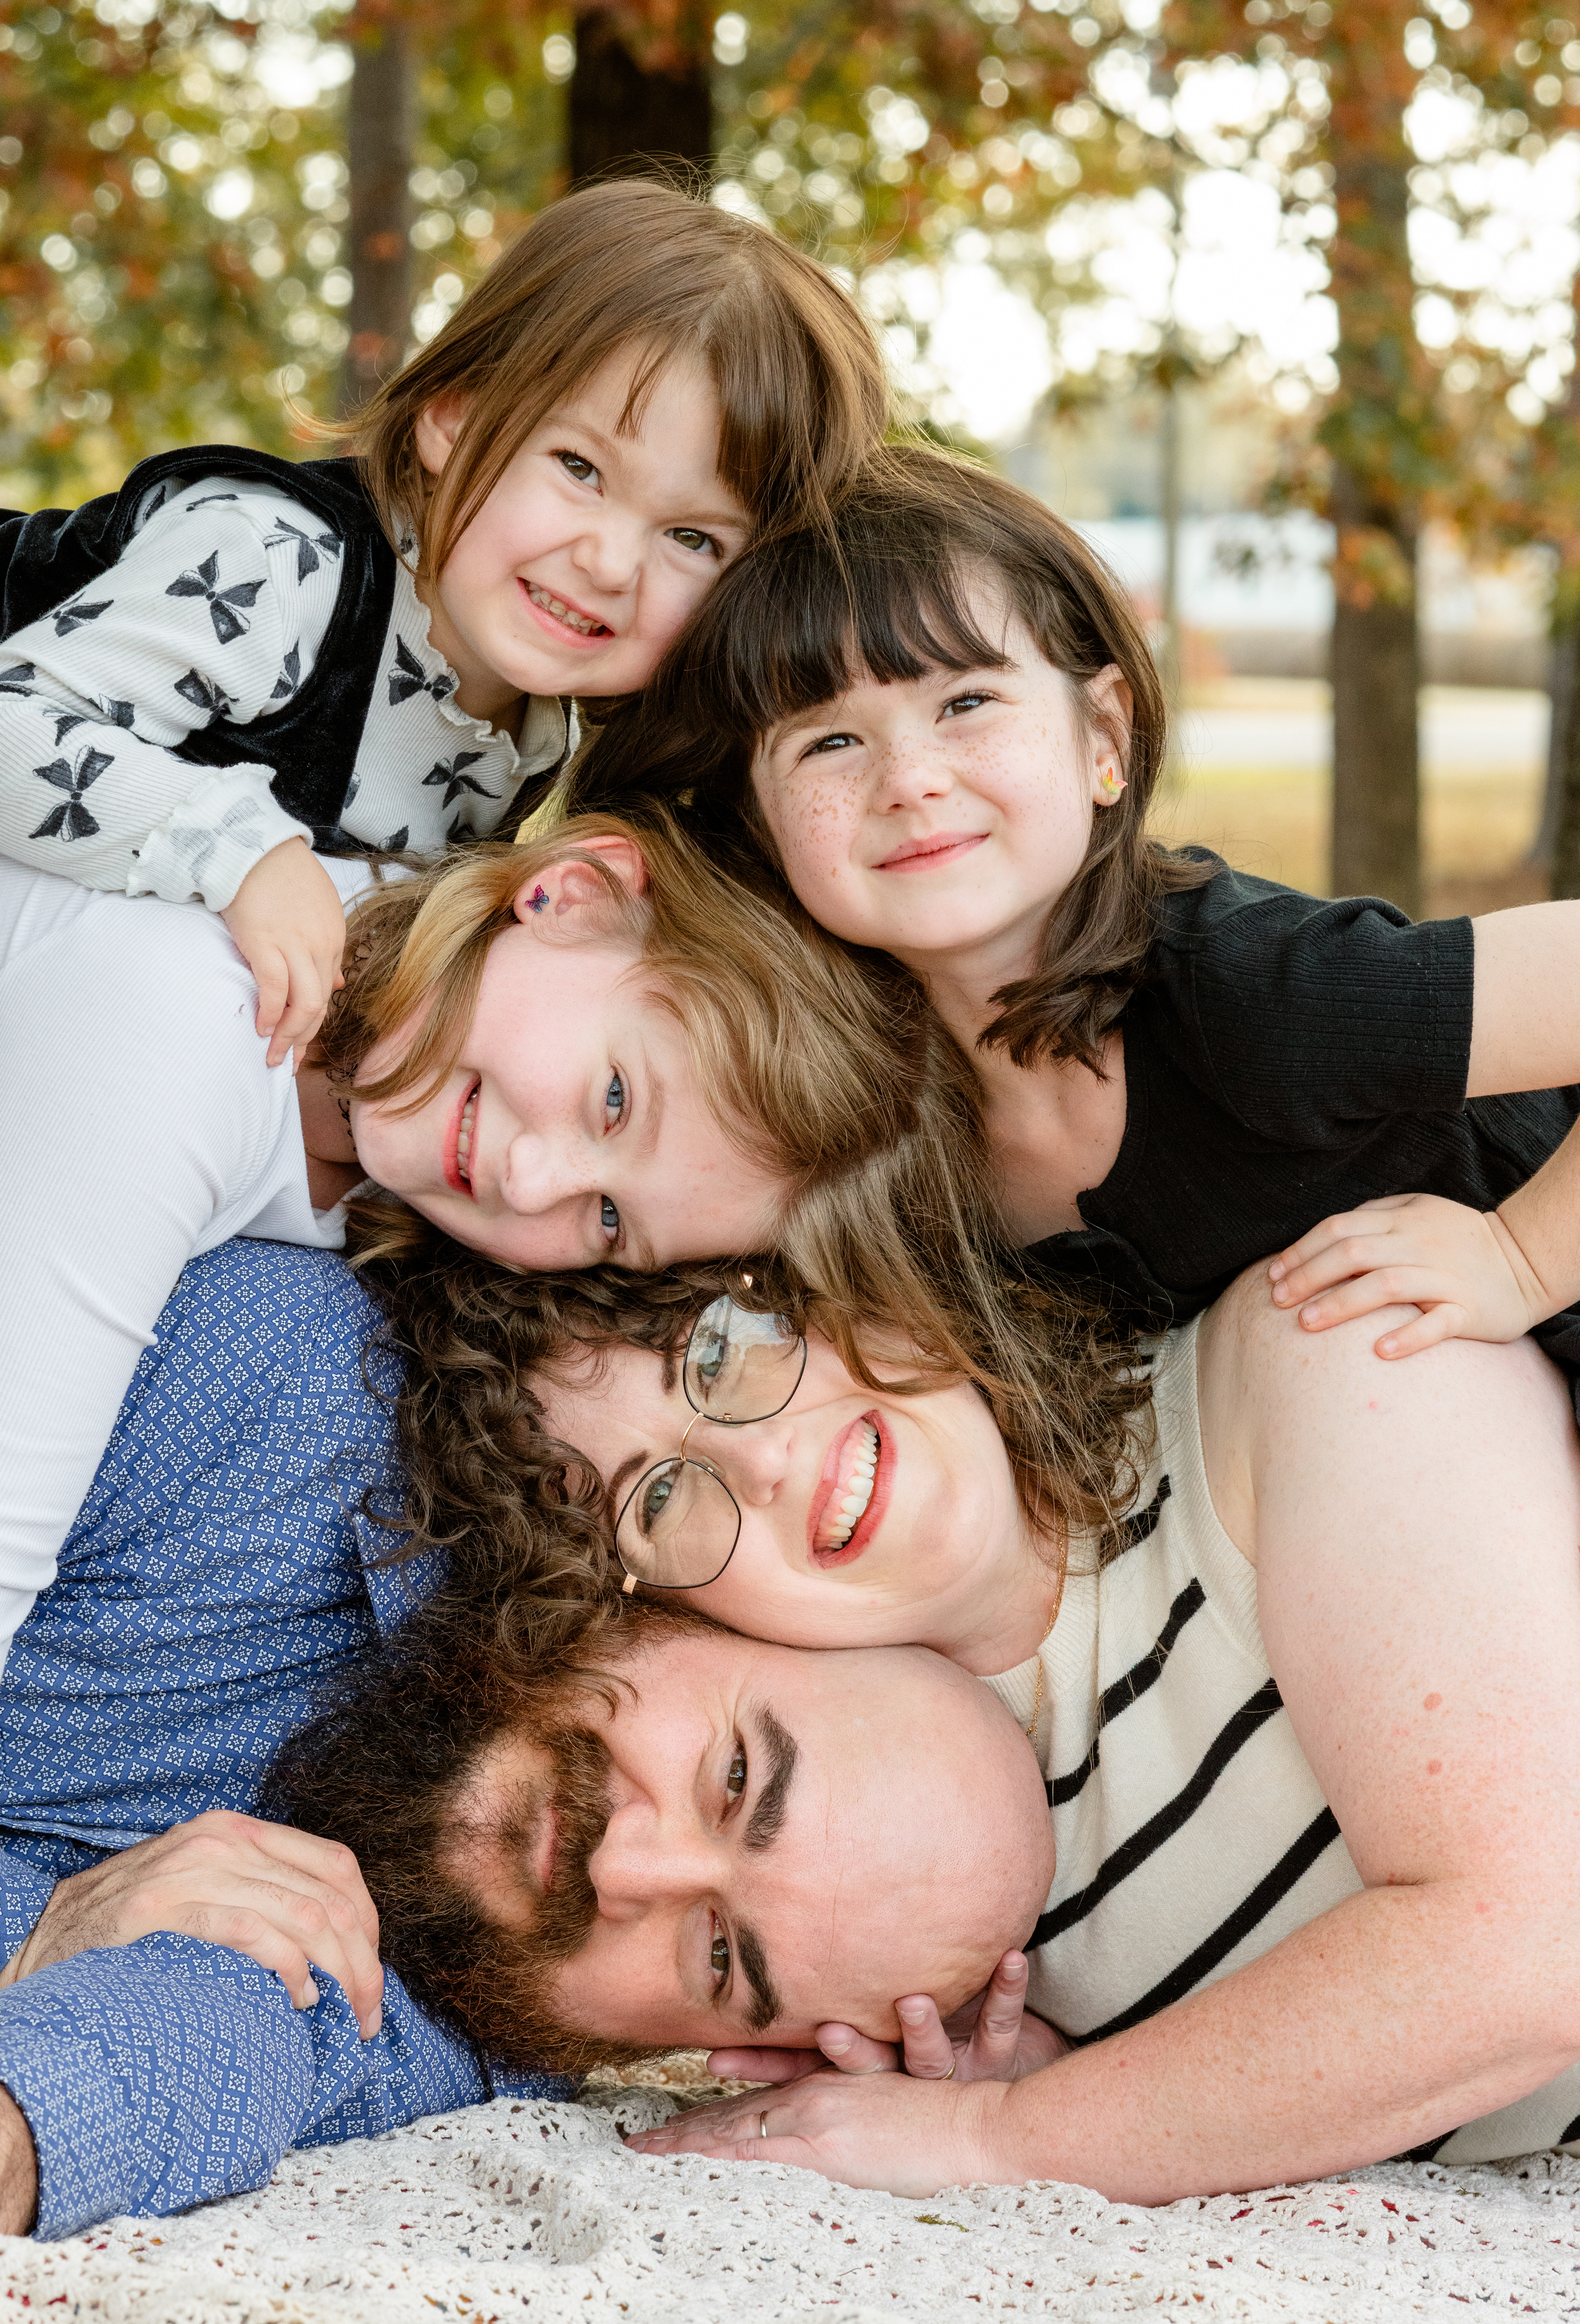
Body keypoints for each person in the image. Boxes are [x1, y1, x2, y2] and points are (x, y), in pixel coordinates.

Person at [371, 1242, 1580, 2199]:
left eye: (728, 1351)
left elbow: (1534, 1950)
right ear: (648, 1620)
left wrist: (1010, 2132)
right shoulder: (894, 1854)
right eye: (665, 1500)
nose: (768, 1462)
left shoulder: (1313, 1359)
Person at [0, 1239, 1051, 2239]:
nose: (625, 1867)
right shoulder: (287, 1402)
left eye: (720, 1954)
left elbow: (199, 2047)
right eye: (734, 1777)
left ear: (722, 2050)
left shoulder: (462, 2011)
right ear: (690, 1618)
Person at [565, 446, 1580, 1374]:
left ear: (1103, 737)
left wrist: (1519, 1258)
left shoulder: (1251, 991)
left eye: (965, 704)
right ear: (762, 826)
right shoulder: (874, 1105)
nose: (910, 780)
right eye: (828, 744)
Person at [0, 805, 976, 1669]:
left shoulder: (375, 1107)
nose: (530, 1181)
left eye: (609, 1222)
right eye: (615, 1099)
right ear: (572, 895)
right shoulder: (178, 1041)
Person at [0, 178, 888, 1066]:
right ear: (456, 414)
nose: (611, 563)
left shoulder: (537, 721)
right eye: (581, 467)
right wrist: (239, 854)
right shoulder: (275, 563)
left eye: (693, 536)